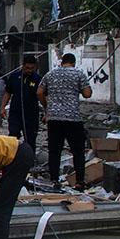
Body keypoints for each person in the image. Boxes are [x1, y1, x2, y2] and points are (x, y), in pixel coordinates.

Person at [38, 53, 92, 190]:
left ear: (61, 62)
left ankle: (54, 180)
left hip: (54, 118)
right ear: (73, 63)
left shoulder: (50, 74)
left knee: (54, 151)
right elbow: (87, 94)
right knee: (78, 151)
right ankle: (79, 181)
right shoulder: (78, 74)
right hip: (73, 118)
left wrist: (47, 108)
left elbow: (39, 92)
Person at [1, 55, 43, 148]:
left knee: (31, 139)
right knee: (13, 136)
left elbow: (43, 96)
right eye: (27, 68)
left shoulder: (38, 79)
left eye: (32, 68)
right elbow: (8, 93)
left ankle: (30, 156)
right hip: (15, 112)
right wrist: (3, 107)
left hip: (31, 114)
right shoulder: (14, 77)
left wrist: (47, 112)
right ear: (23, 66)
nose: (29, 70)